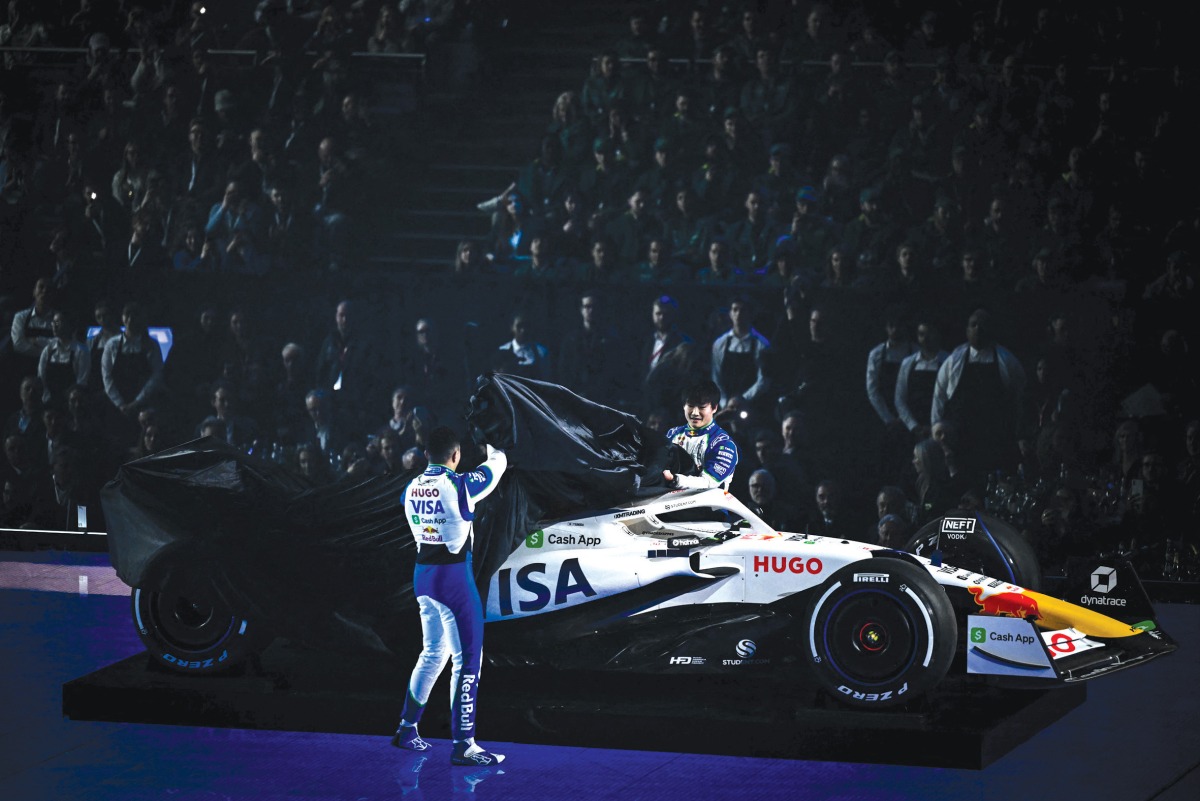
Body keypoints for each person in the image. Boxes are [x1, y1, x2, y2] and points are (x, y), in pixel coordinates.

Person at [393, 425, 508, 767]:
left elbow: (407, 504)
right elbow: (497, 465)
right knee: (468, 661)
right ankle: (465, 745)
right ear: (456, 456)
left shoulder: (411, 487)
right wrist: (491, 442)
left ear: (425, 454)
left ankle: (406, 728)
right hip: (454, 580)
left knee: (433, 654)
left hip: (423, 578)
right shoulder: (458, 485)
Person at [663, 380, 738, 490]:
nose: (695, 413)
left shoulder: (724, 443)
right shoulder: (672, 434)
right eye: (691, 406)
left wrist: (675, 479)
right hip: (669, 503)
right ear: (684, 406)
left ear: (714, 408)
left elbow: (708, 482)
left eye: (702, 407)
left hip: (709, 505)